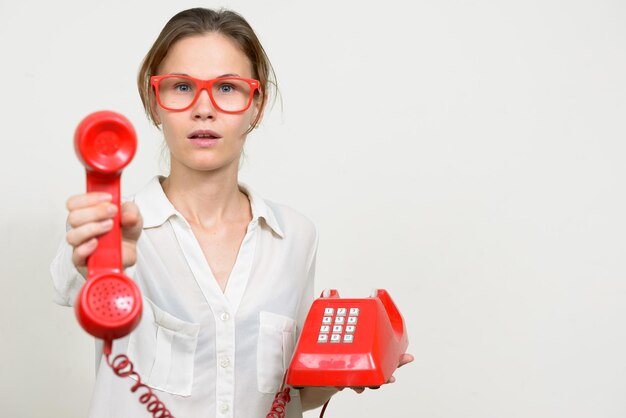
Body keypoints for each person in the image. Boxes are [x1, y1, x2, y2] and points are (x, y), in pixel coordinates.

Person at [51, 7, 412, 418]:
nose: (204, 108)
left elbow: (285, 394)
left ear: (256, 105)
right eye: (181, 86)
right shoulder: (113, 226)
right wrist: (98, 261)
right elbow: (73, 276)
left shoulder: (295, 235)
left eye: (227, 88)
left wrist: (345, 371)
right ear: (155, 104)